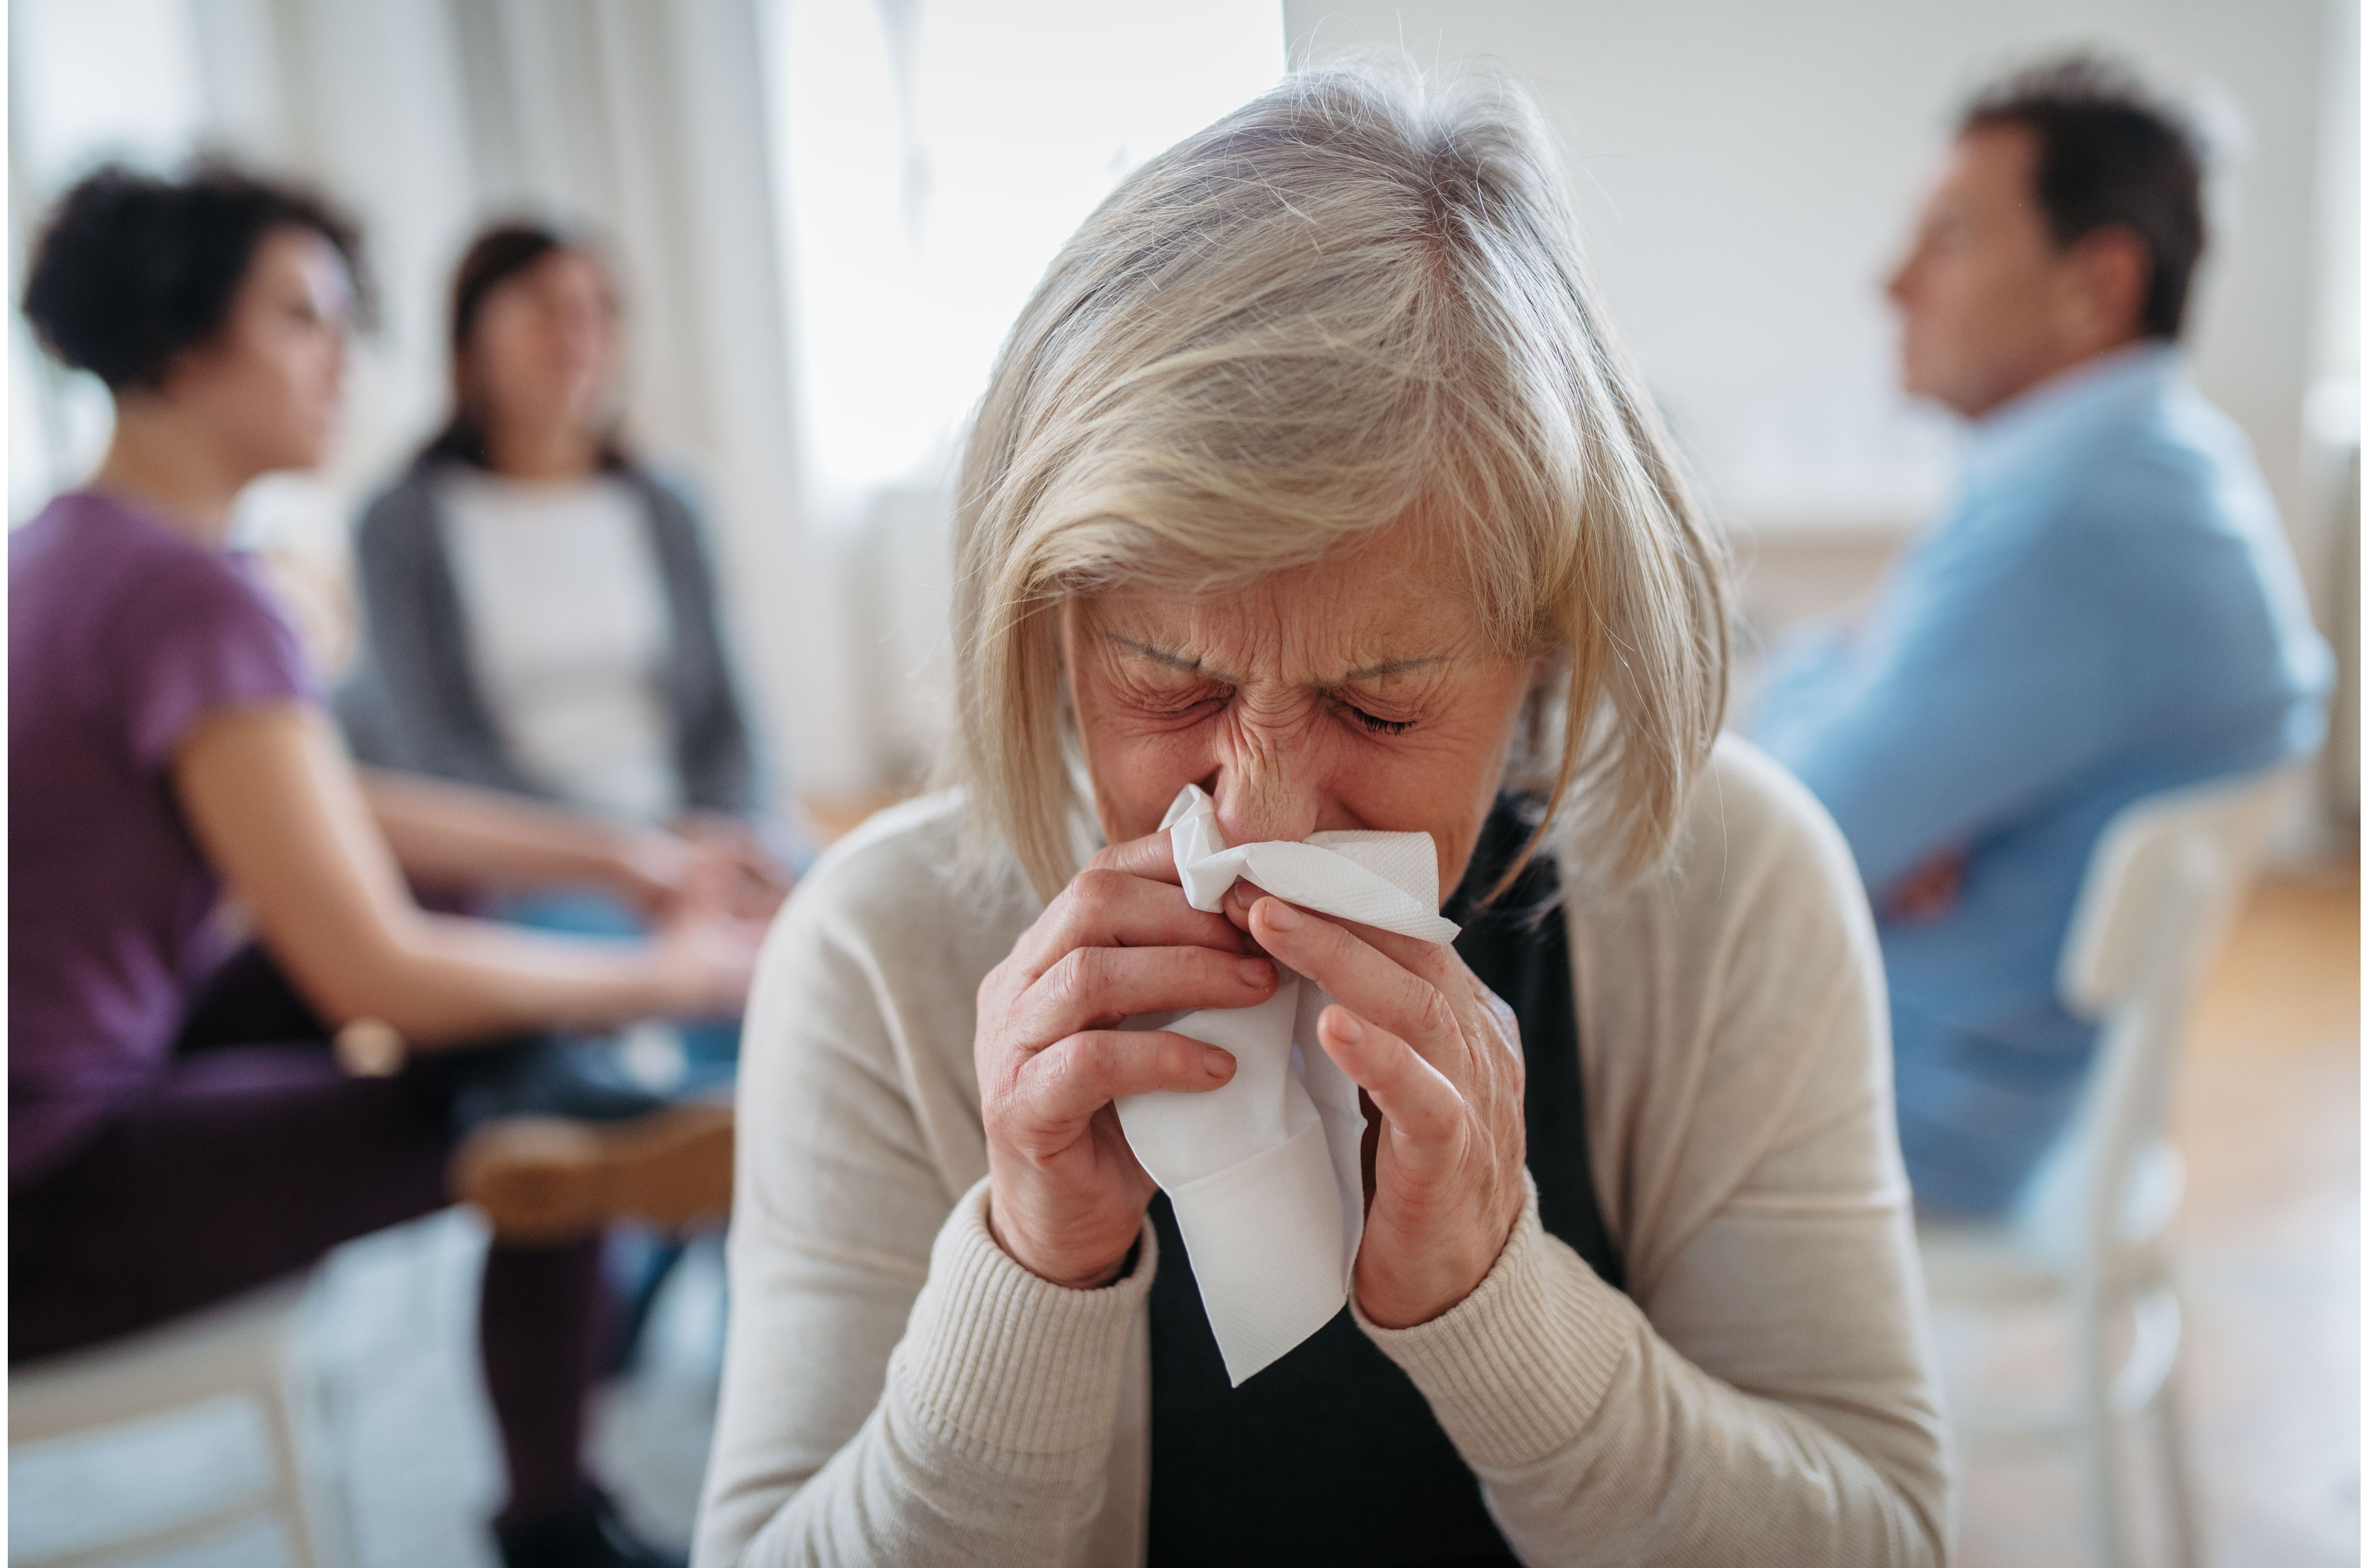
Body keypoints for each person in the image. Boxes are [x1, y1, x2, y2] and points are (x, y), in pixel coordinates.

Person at [695, 61, 1949, 1568]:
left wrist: (1497, 1299)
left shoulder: (1732, 892)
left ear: (1541, 658)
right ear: (1051, 629)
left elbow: (1880, 1538)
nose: (1264, 806)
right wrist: (1029, 1267)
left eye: (1380, 706)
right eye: (1167, 684)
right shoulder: (877, 952)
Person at [8, 163, 768, 1568]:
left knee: (492, 973)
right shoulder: (188, 592)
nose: (341, 358)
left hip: (79, 1078)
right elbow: (378, 978)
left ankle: (627, 1190)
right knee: (544, 1110)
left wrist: (623, 859)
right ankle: (553, 1522)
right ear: (180, 338)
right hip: (43, 1198)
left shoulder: (74, 544)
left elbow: (329, 806)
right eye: (301, 317)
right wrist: (674, 973)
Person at [1747, 55, 2332, 1217]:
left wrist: (1841, 680)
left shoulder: (2067, 523)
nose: (1892, 282)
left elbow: (1780, 845)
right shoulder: (2161, 464)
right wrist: (1870, 734)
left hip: (1907, 1104)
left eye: (1950, 237)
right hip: (2025, 1092)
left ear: (2097, 283)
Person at [337, 222, 791, 928]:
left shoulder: (671, 503)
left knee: (849, 921)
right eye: (544, 309)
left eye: (599, 310)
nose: (578, 335)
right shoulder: (400, 522)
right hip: (534, 858)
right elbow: (428, 746)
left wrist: (725, 836)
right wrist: (622, 854)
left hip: (697, 835)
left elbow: (730, 715)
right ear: (472, 334)